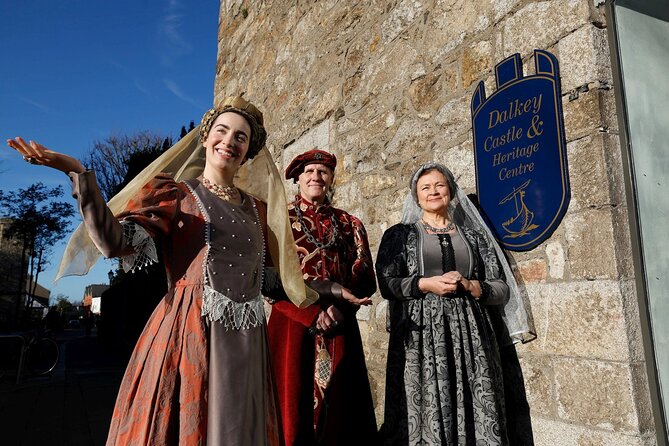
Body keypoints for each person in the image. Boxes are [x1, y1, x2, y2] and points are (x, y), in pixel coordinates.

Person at [7, 96, 317, 445]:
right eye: (222, 131)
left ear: (250, 151)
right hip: (189, 335)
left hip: (248, 346)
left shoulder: (258, 211)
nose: (229, 142)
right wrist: (77, 172)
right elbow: (113, 243)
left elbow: (271, 280)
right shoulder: (175, 194)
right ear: (205, 138)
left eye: (240, 137)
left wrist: (329, 291)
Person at [375, 163, 535, 446]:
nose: (433, 192)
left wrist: (472, 286)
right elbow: (387, 284)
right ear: (416, 196)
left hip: (473, 337)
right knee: (427, 404)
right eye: (425, 187)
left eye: (439, 185)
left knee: (477, 399)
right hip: (422, 339)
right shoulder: (399, 235)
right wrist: (426, 284)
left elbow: (500, 288)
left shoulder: (475, 237)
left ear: (451, 191)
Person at [267, 149, 378, 445]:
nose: (316, 177)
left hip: (340, 326)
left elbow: (365, 276)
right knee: (291, 407)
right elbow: (268, 279)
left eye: (323, 172)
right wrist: (310, 313)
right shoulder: (277, 221)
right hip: (293, 325)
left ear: (330, 179)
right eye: (309, 172)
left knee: (343, 413)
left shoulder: (350, 223)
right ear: (298, 179)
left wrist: (341, 308)